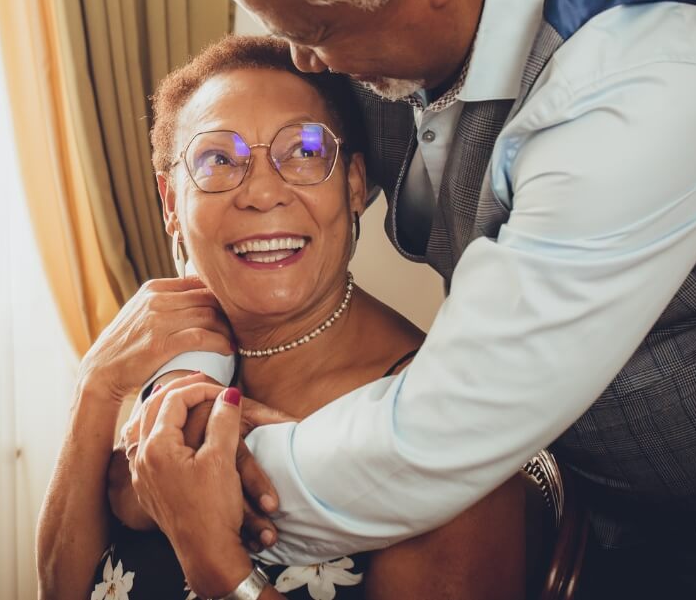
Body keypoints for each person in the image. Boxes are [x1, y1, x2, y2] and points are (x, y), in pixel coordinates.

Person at [137, 0, 696, 599]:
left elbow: (439, 432)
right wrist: (175, 372)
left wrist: (205, 477)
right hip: (579, 494)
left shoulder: (653, 80)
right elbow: (251, 205)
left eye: (314, 29)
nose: (305, 61)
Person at [36, 36, 526, 600]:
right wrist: (94, 388)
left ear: (353, 184)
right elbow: (59, 589)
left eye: (304, 150)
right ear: (171, 203)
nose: (264, 192)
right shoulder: (178, 374)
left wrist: (219, 566)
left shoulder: (443, 432)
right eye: (219, 159)